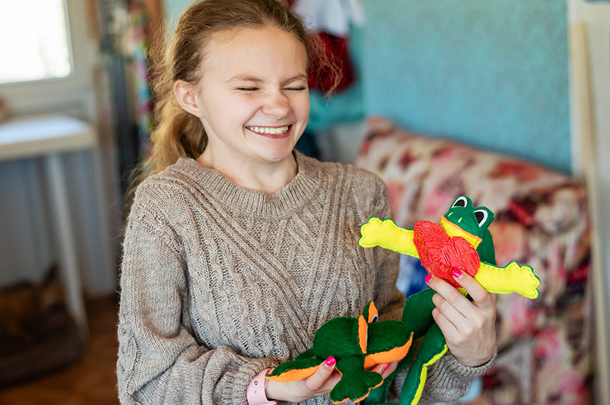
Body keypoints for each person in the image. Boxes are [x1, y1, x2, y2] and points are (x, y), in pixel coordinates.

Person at [116, 0, 498, 403]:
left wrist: (466, 355)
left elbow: (394, 380)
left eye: (294, 85)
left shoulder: (362, 194)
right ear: (190, 96)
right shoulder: (167, 207)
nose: (280, 105)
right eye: (248, 87)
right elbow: (146, 383)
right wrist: (267, 387)